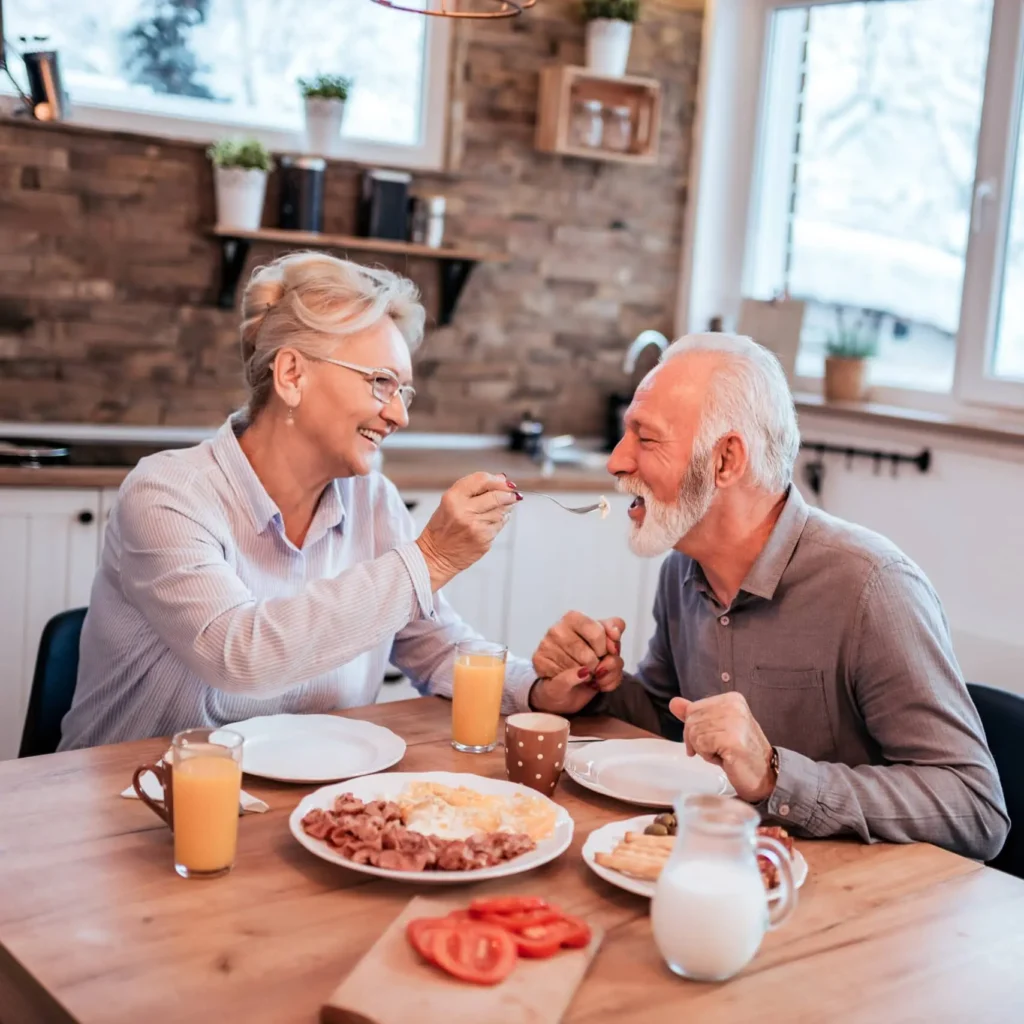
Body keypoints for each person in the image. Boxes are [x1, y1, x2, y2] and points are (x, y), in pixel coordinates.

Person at [529, 333, 1009, 861]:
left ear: (727, 460)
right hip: (725, 878)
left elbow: (975, 807)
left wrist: (775, 773)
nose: (616, 461)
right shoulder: (682, 570)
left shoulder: (872, 587)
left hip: (859, 910)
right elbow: (674, 725)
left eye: (646, 439)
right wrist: (595, 684)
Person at [60, 253, 537, 750]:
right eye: (381, 383)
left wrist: (539, 688)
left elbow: (435, 647)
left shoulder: (373, 500)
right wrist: (430, 559)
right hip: (130, 804)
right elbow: (238, 655)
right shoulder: (168, 494)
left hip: (301, 806)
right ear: (291, 375)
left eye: (404, 392)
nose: (399, 414)